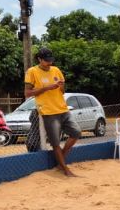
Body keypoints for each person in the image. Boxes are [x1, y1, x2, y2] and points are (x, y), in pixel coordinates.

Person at [24, 47, 81, 176]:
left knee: (76, 132)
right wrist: (47, 88)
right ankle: (65, 169)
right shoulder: (32, 72)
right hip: (48, 112)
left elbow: (63, 91)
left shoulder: (56, 70)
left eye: (51, 60)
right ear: (39, 59)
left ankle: (61, 159)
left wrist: (61, 86)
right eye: (46, 61)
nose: (49, 63)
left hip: (62, 109)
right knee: (55, 143)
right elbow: (27, 93)